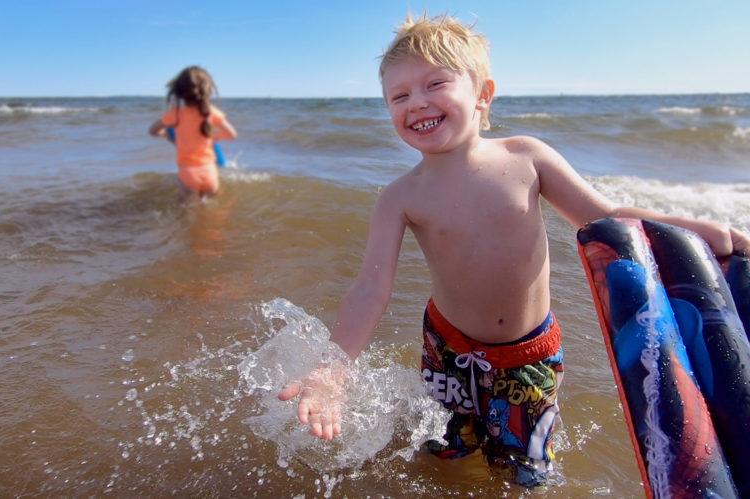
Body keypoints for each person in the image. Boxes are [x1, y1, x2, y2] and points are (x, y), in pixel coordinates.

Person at [276, 14, 750, 487]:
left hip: (528, 357)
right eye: (399, 96)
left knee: (525, 474)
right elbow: (370, 287)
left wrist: (695, 229)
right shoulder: (401, 196)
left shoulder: (526, 158)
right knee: (441, 456)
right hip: (447, 352)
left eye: (434, 84)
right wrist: (332, 370)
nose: (416, 103)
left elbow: (605, 217)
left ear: (482, 94)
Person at [149, 66, 237, 198]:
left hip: (188, 173)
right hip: (209, 171)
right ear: (207, 89)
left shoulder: (176, 113)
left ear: (179, 91)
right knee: (213, 211)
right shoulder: (211, 111)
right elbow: (232, 134)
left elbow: (152, 131)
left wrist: (166, 135)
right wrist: (214, 138)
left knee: (187, 212)